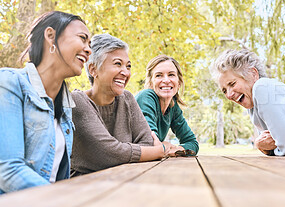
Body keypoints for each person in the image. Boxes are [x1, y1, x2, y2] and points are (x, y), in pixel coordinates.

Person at [0, 11, 91, 194]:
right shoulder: (9, 82)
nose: (89, 49)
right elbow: (8, 170)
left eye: (90, 44)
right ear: (51, 36)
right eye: (83, 38)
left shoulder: (66, 104)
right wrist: (65, 199)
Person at [71, 34, 167, 176]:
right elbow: (107, 152)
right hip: (82, 190)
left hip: (124, 182)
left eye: (128, 66)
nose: (125, 72)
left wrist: (122, 153)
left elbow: (147, 143)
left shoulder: (126, 98)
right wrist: (158, 151)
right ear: (93, 69)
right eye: (117, 64)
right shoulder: (77, 101)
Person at [212, 49, 285, 156]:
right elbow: (272, 145)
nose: (229, 95)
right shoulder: (252, 106)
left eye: (232, 84)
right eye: (224, 90)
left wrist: (261, 144)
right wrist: (262, 145)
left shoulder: (263, 87)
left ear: (253, 74)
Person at [136, 55, 199, 156]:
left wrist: (176, 149)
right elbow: (149, 142)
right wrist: (164, 146)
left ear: (178, 83)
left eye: (171, 75)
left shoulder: (172, 106)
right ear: (151, 83)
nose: (166, 80)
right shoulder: (146, 97)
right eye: (159, 75)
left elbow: (193, 143)